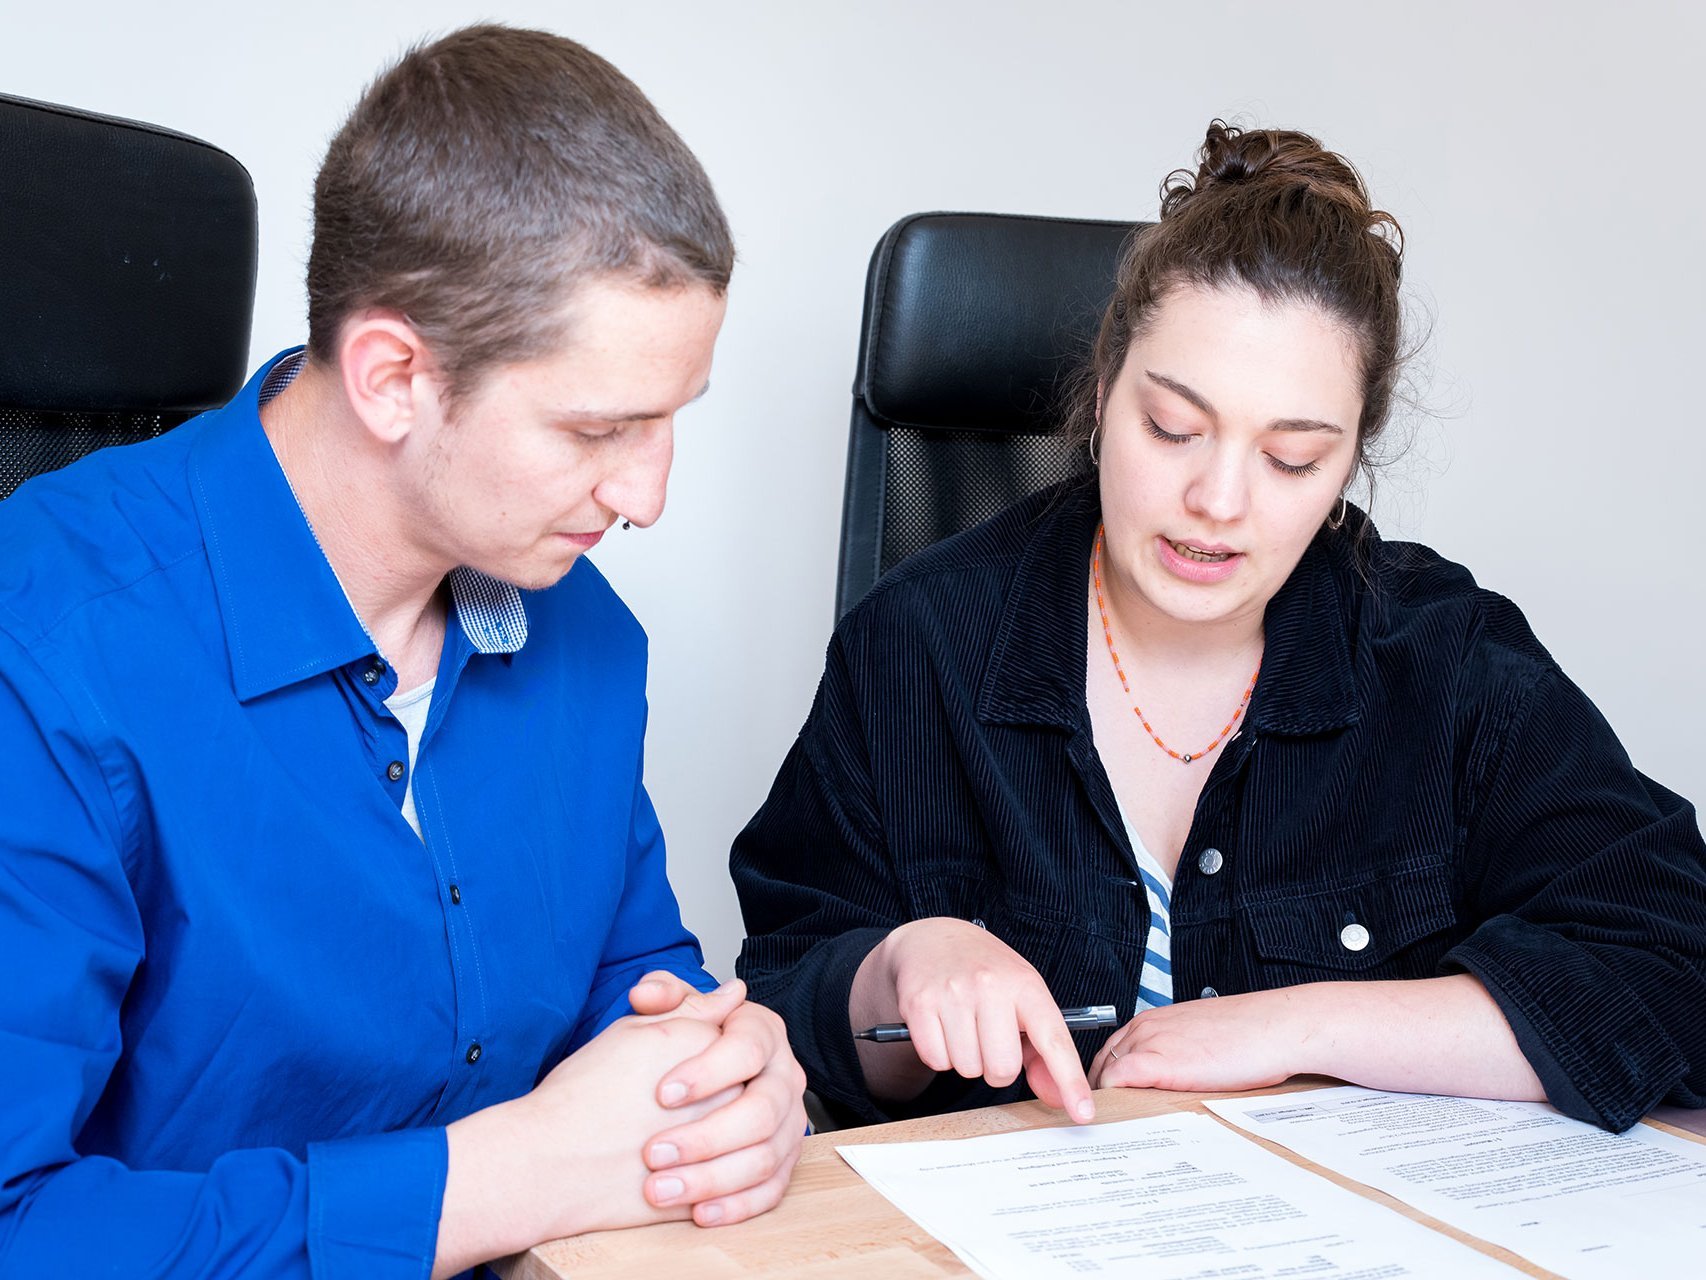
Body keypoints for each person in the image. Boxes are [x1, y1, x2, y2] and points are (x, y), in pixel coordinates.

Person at [0, 25, 805, 1280]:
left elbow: (631, 979)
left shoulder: (581, 630)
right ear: (391, 376)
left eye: (668, 422)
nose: (647, 495)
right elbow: (17, 1226)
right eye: (598, 427)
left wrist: (723, 1085)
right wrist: (491, 1182)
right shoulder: (48, 646)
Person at [731, 120, 1706, 1136]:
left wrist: (1303, 1024)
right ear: (1101, 393)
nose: (1217, 499)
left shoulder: (1447, 662)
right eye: (1171, 427)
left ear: (1343, 467)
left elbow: (1674, 962)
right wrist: (898, 969)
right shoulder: (917, 641)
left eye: (1290, 457)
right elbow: (776, 1025)